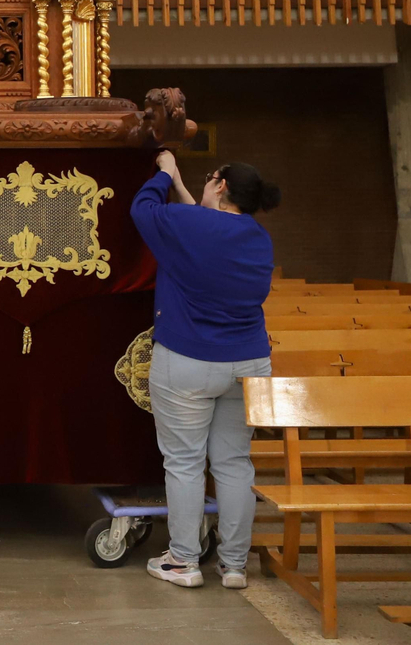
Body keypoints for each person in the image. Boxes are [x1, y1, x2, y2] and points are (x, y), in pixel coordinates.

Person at [130, 149, 281, 590]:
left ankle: (183, 561)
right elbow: (205, 227)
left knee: (184, 463)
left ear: (220, 186)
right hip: (250, 363)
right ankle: (234, 566)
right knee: (234, 464)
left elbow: (143, 210)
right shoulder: (258, 237)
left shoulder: (191, 226)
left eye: (209, 178)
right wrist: (181, 184)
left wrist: (163, 173)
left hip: (190, 362)